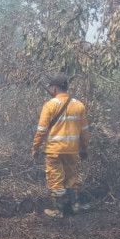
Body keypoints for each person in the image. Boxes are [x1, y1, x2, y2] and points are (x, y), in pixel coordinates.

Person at [32, 75, 90, 218]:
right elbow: (84, 131)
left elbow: (41, 130)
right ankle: (76, 207)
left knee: (55, 178)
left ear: (54, 88)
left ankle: (58, 211)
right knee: (72, 176)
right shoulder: (79, 105)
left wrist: (35, 147)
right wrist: (84, 148)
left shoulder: (50, 105)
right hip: (72, 150)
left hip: (54, 150)